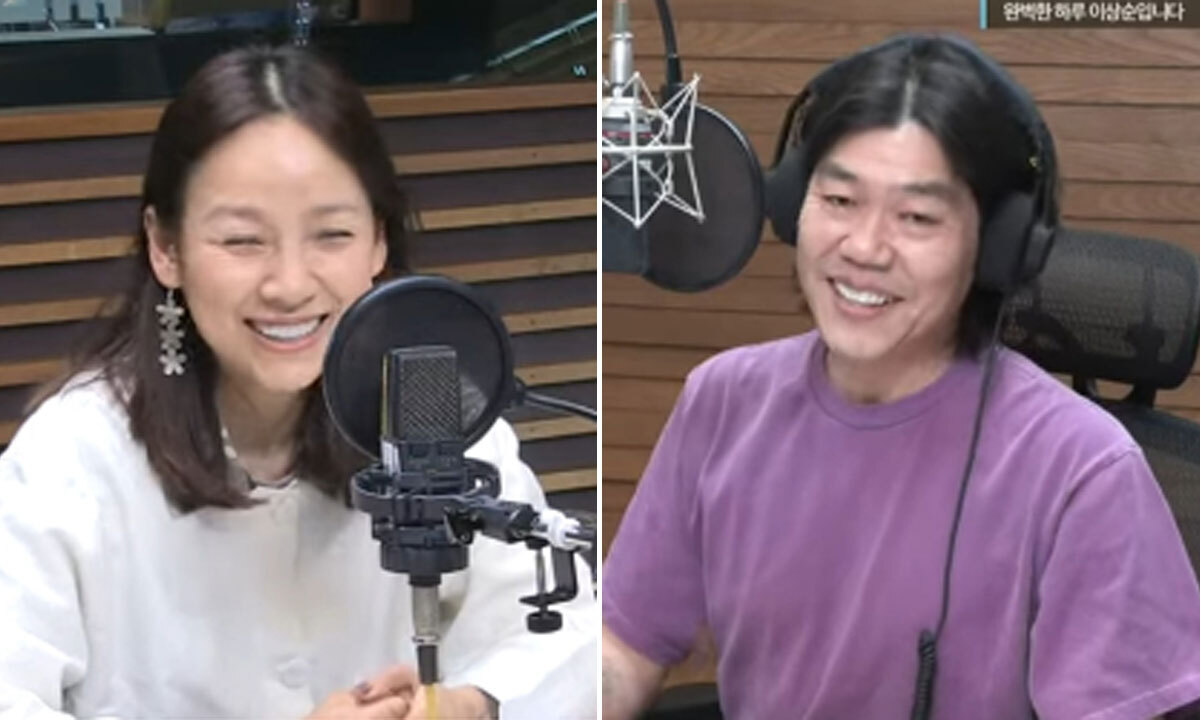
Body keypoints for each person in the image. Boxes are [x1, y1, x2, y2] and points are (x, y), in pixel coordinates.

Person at [601, 33, 1200, 720]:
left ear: (997, 248)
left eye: (916, 217)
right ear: (793, 205)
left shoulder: (1082, 468)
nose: (864, 248)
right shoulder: (723, 400)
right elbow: (626, 648)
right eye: (839, 200)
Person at [0, 45, 595, 720]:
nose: (289, 285)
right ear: (166, 248)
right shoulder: (72, 461)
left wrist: (472, 705)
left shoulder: (440, 417)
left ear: (378, 242)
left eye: (331, 234)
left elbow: (563, 640)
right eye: (242, 240)